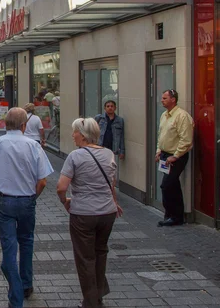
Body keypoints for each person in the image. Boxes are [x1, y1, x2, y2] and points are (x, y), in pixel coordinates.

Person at [0, 108, 54, 308]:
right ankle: (26, 284)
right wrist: (32, 197)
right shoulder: (33, 146)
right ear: (24, 125)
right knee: (27, 242)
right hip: (27, 200)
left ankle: (16, 296)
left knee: (9, 248)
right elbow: (43, 181)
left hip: (3, 201)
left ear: (5, 124)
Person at [57, 118, 123, 308]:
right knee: (100, 253)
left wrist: (65, 202)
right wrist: (115, 203)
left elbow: (61, 187)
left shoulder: (75, 157)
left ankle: (90, 302)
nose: (73, 135)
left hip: (83, 213)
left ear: (83, 135)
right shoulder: (109, 154)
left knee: (85, 258)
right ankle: (98, 296)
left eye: (75, 132)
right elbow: (111, 183)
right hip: (107, 213)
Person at [154, 89, 193, 227]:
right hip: (165, 155)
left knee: (167, 185)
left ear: (173, 100)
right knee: (173, 185)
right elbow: (161, 135)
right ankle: (173, 215)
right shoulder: (164, 115)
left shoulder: (182, 116)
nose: (162, 100)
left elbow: (186, 140)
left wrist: (175, 156)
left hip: (176, 157)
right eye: (162, 98)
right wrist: (159, 150)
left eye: (164, 98)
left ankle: (174, 216)